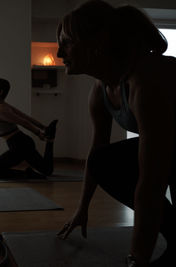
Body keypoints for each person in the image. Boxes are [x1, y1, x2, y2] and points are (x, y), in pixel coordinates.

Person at [55, 1, 176, 266]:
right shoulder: (101, 89)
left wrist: (136, 259)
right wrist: (82, 208)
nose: (57, 52)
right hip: (171, 142)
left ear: (97, 42)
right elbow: (97, 151)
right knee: (103, 160)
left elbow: (151, 184)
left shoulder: (146, 82)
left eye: (67, 42)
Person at [0, 78, 58, 180]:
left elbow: (23, 121)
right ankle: (50, 140)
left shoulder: (1, 110)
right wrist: (44, 127)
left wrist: (39, 133)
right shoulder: (3, 106)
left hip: (19, 146)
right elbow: (25, 117)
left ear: (0, 92)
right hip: (23, 143)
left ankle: (27, 174)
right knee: (47, 170)